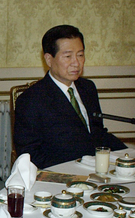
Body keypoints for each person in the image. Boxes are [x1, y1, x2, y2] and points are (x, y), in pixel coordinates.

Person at [14, 24, 126, 169]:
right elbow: (31, 155)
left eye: (80, 55)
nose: (76, 63)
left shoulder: (88, 88)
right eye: (68, 56)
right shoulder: (31, 100)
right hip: (61, 176)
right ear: (49, 59)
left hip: (97, 170)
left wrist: (128, 154)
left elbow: (98, 134)